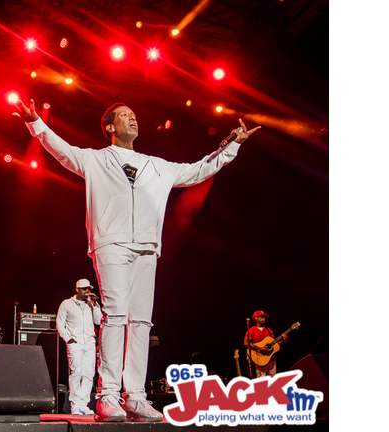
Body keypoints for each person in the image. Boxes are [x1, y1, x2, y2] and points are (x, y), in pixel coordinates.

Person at [13, 99, 259, 422]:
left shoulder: (156, 166)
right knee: (115, 317)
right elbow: (62, 150)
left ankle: (136, 397)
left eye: (134, 115)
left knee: (141, 322)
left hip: (146, 246)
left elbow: (198, 169)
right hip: (111, 243)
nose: (133, 119)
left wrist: (230, 146)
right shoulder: (95, 159)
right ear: (110, 127)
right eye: (125, 116)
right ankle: (108, 395)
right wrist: (36, 124)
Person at [56, 278, 103, 415]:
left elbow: (99, 321)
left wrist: (95, 305)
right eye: (84, 289)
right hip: (75, 343)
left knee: (89, 374)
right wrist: (68, 339)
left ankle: (83, 404)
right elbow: (60, 323)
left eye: (89, 288)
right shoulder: (67, 304)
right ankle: (75, 405)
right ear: (77, 289)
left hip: (89, 342)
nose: (87, 291)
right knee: (76, 373)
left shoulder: (91, 304)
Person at [244, 310, 287, 378]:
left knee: (273, 382)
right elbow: (246, 343)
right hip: (259, 360)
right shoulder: (251, 330)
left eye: (264, 317)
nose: (264, 318)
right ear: (256, 318)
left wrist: (283, 341)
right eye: (262, 317)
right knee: (261, 383)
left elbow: (274, 344)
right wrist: (261, 349)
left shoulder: (269, 330)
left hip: (271, 359)